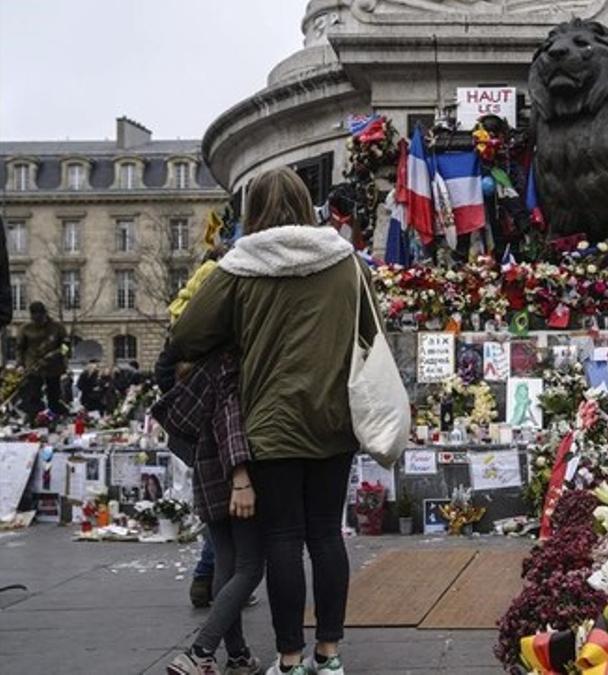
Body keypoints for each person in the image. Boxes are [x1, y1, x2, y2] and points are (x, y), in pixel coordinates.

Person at [173, 167, 369, 675]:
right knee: (326, 535)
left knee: (283, 539)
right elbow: (370, 331)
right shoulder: (344, 260)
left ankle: (289, 658)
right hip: (333, 418)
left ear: (253, 211)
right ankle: (329, 655)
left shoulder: (239, 267)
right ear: (309, 204)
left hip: (269, 423)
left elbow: (187, 335)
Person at [154, 351, 263, 675]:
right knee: (250, 568)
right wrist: (240, 476)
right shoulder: (228, 363)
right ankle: (200, 652)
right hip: (231, 474)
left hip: (206, 472)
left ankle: (239, 655)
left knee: (226, 566)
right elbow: (230, 422)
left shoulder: (197, 365)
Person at [17, 302, 69, 423]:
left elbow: (66, 346)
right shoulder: (25, 328)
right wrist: (20, 364)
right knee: (33, 395)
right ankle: (33, 419)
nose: (38, 322)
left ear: (45, 314)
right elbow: (20, 348)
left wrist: (56, 354)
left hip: (53, 367)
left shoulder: (57, 327)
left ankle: (56, 418)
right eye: (35, 319)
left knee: (54, 395)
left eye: (40, 318)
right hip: (33, 367)